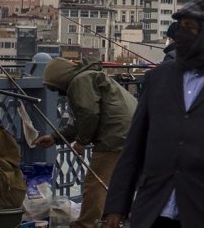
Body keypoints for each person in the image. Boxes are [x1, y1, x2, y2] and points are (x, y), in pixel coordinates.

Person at [102, 0, 204, 228]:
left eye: (190, 28)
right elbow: (134, 145)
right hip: (153, 210)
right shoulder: (158, 78)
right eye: (180, 27)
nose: (181, 34)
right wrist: (116, 206)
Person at [34, 58, 137, 228]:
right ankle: (113, 220)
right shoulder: (89, 77)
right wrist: (55, 138)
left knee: (95, 183)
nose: (57, 92)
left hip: (115, 133)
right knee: (119, 181)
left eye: (54, 87)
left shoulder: (79, 81)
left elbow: (89, 114)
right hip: (130, 130)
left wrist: (81, 142)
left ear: (60, 79)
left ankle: (86, 224)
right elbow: (83, 119)